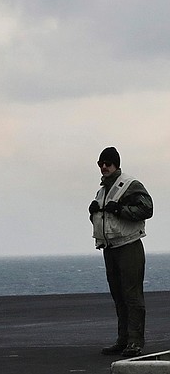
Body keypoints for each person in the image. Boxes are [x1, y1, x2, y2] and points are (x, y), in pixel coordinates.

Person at [88, 146, 153, 358]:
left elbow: (147, 208)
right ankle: (123, 339)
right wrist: (94, 213)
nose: (103, 167)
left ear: (116, 164)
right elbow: (106, 219)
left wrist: (121, 210)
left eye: (107, 163)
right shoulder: (103, 190)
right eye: (101, 164)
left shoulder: (130, 185)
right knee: (119, 295)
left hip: (129, 246)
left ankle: (135, 342)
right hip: (110, 247)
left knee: (132, 295)